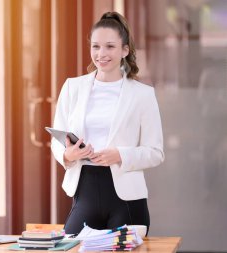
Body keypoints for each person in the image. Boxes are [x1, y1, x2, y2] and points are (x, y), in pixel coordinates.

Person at [51, 11, 164, 235]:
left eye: (110, 46)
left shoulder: (143, 95)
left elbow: (156, 152)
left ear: (125, 50)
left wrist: (120, 154)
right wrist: (68, 155)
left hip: (127, 200)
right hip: (84, 190)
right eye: (96, 46)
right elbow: (58, 141)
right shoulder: (72, 87)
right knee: (73, 246)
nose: (101, 54)